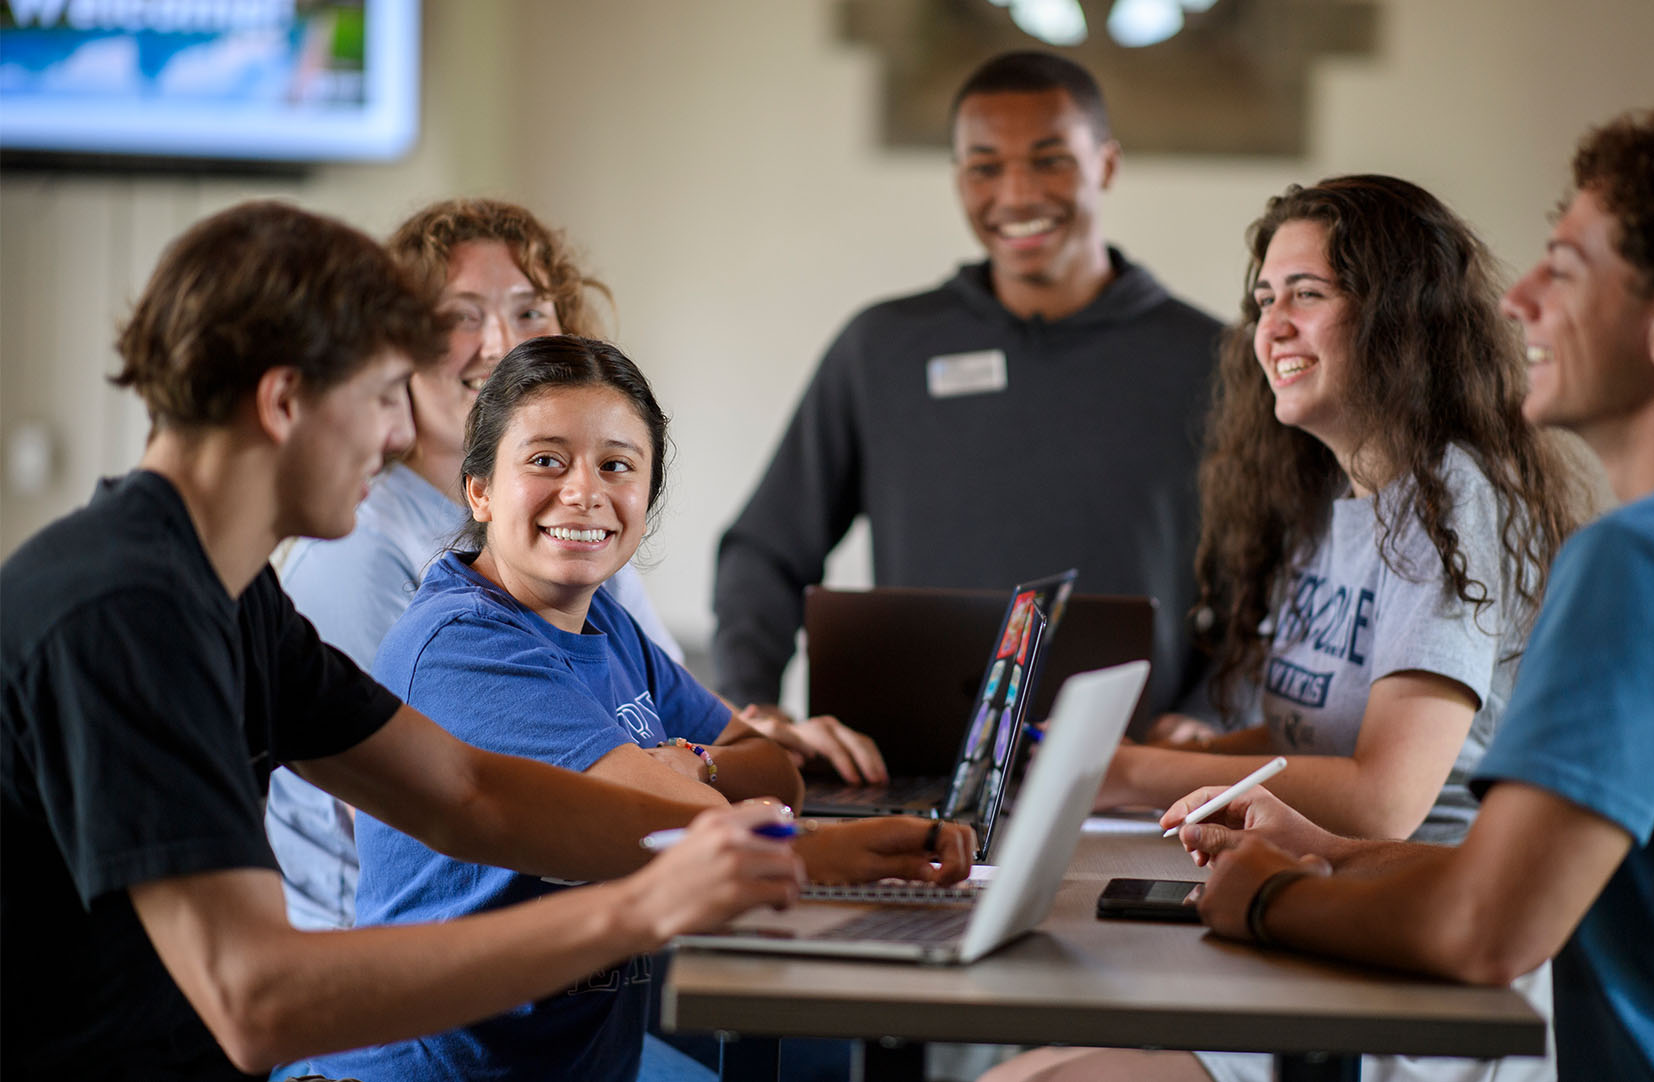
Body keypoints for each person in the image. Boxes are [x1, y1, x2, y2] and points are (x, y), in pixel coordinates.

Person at [0, 201, 961, 1081]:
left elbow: (465, 791)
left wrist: (778, 853)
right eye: (384, 395)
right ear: (285, 400)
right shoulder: (123, 613)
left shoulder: (228, 592)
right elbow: (257, 1000)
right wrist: (649, 900)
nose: (394, 438)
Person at [1164, 105, 1654, 1080]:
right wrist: (1329, 852)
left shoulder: (1648, 559)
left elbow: (1487, 930)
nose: (1518, 299)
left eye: (1567, 265)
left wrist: (1261, 896)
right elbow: (1562, 878)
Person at [988, 175, 1581, 1082]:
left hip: (1412, 968)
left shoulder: (1454, 497)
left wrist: (1127, 769)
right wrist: (1212, 755)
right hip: (1308, 931)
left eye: (1308, 294)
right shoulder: (1330, 500)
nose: (1272, 328)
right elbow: (1308, 737)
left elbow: (1386, 797)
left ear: (1400, 317)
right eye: (1265, 299)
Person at [300, 334, 974, 1081]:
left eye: (617, 465)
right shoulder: (464, 644)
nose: (585, 490)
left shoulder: (607, 625)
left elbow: (774, 771)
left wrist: (694, 761)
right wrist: (818, 847)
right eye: (546, 461)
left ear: (646, 501)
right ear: (480, 490)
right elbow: (675, 829)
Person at [711, 50, 1223, 740]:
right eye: (985, 167)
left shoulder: (1214, 361)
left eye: (1050, 160)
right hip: (907, 771)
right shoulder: (883, 348)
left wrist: (1206, 714)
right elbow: (762, 552)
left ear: (1105, 164)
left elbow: (1269, 586)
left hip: (1135, 783)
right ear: (958, 178)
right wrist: (750, 708)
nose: (1015, 195)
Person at [266, 197, 685, 932]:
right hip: (392, 970)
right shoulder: (356, 547)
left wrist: (755, 738)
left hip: (564, 930)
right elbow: (411, 808)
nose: (498, 344)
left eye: (529, 313)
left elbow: (664, 725)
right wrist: (700, 775)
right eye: (459, 316)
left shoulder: (571, 527)